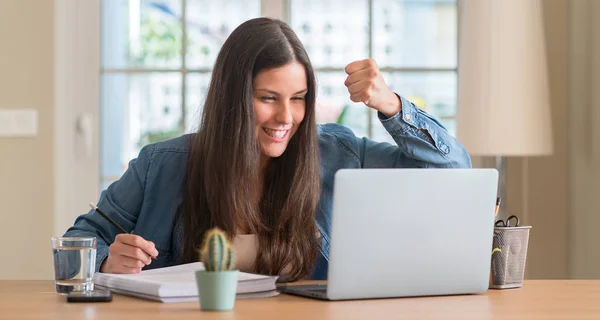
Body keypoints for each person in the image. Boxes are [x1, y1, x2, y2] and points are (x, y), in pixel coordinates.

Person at [63, 17, 471, 281]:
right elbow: (77, 241)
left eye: (298, 98)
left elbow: (454, 171)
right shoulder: (163, 164)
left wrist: (393, 106)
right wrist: (104, 261)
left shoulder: (339, 154)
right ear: (232, 98)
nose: (286, 117)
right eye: (268, 98)